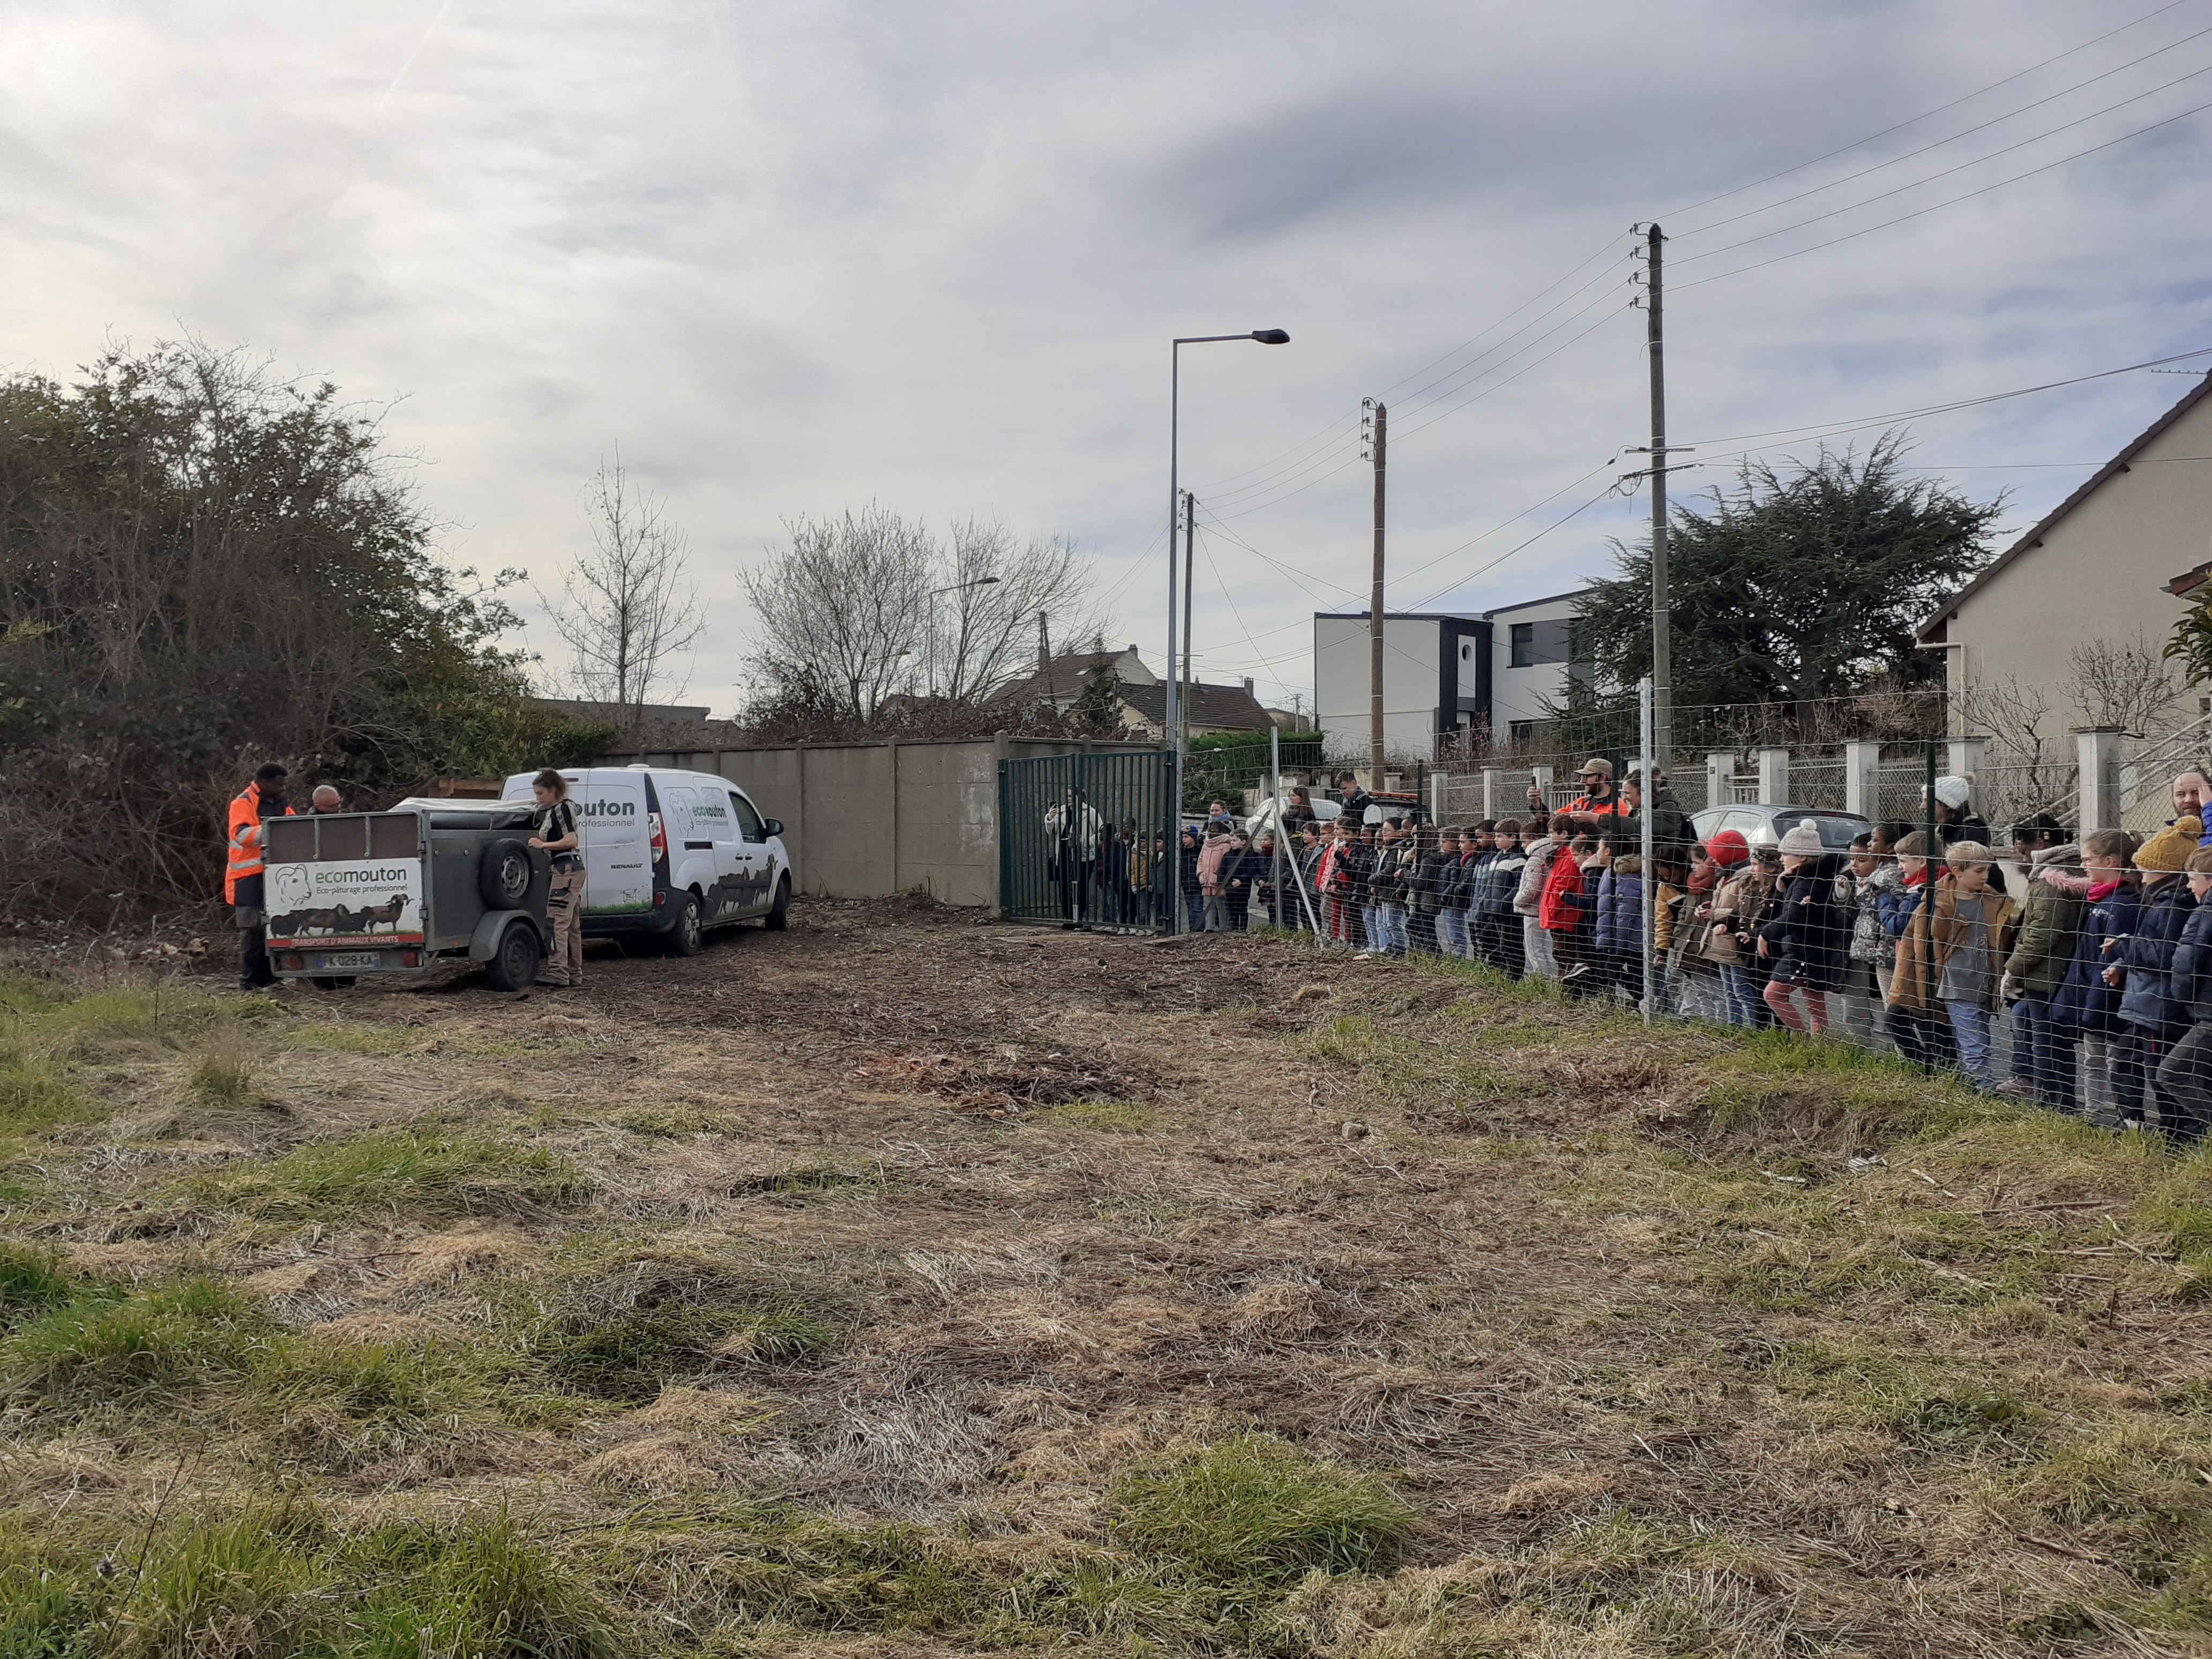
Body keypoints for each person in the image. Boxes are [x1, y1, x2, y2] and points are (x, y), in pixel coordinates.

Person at [2105, 817, 2200, 1132]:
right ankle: (2133, 1124)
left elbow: (2164, 955)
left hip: (2161, 1007)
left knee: (2160, 1073)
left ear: (2166, 869)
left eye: (2146, 867)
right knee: (2125, 1059)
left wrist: (2124, 946)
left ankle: (2178, 1134)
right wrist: (2124, 961)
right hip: (2147, 1004)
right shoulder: (2161, 900)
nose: (2141, 875)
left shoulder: (2172, 905)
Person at [2050, 829, 2140, 1124]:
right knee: (2093, 1059)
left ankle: (2123, 1115)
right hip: (2091, 993)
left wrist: (2096, 1003)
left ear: (2111, 861)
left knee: (2114, 1060)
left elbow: (2111, 957)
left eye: (2090, 859)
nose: (2085, 865)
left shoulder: (2121, 905)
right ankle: (2093, 1113)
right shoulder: (2100, 900)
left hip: (2107, 998)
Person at [1999, 819, 2084, 1108]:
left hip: (2046, 974)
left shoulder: (2051, 883)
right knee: (2054, 1041)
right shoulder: (2071, 872)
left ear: (2041, 845)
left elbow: (2040, 933)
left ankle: (2053, 1104)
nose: (2020, 857)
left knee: (2047, 1041)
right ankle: (2061, 1102)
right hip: (2055, 971)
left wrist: (2013, 969)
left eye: (2023, 852)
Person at [1758, 824, 1851, 1034]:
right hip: (1812, 949)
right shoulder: (1811, 879)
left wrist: (1765, 933)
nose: (1782, 859)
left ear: (1801, 858)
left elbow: (1794, 917)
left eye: (1785, 854)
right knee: (1814, 1001)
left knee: (1774, 994)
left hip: (1803, 951)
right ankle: (1820, 1042)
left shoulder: (1806, 884)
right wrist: (1787, 880)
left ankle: (1801, 1036)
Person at [1879, 833, 1959, 1070]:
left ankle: (1939, 1071)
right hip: (1915, 966)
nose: (1900, 866)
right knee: (1903, 1018)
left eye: (1904, 860)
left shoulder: (1924, 891)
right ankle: (1929, 1069)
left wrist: (1884, 901)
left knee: (1928, 1023)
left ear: (1923, 861)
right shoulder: (1917, 888)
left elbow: (1899, 926)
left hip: (1924, 967)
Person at [2154, 848, 2212, 1143]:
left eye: (2193, 879)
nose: (2190, 886)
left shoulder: (2204, 914)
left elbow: (2186, 962)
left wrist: (2182, 999)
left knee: (2170, 1073)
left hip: (2207, 1015)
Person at [226, 762, 295, 991]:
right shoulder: (243, 803)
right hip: (248, 878)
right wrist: (275, 828)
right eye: (279, 784)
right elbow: (242, 834)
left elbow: (296, 826)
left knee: (274, 929)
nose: (283, 788)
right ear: (264, 783)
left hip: (274, 876)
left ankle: (272, 980)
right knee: (252, 933)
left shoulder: (279, 802)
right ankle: (249, 983)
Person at [1834, 832, 1898, 1047]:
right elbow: (1857, 914)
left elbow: (1878, 913)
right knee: (1854, 1007)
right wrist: (1844, 896)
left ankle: (1884, 1052)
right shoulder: (1855, 880)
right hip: (1860, 950)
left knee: (1881, 1005)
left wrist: (1862, 892)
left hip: (1882, 953)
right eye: (1852, 859)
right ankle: (1860, 1049)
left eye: (1862, 859)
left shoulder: (1887, 880)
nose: (1854, 865)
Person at [1703, 837, 1774, 1028]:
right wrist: (1719, 919)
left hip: (1738, 946)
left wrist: (1716, 916)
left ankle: (1753, 1028)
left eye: (1716, 855)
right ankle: (1735, 1026)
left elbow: (1739, 910)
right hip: (1726, 941)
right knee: (1730, 990)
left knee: (1743, 990)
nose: (1713, 860)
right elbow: (1731, 909)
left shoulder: (1743, 881)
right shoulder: (1728, 878)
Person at [527, 767, 585, 988]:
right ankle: (573, 973)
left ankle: (558, 972)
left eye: (540, 794)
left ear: (553, 791)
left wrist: (544, 845)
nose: (538, 798)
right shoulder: (560, 808)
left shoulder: (562, 809)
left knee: (556, 921)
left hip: (565, 868)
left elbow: (571, 840)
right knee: (571, 925)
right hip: (570, 869)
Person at [1541, 832, 1593, 991]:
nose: (1549, 835)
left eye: (1553, 831)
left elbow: (1562, 885)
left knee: (1565, 956)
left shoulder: (1568, 857)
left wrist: (1551, 910)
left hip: (1564, 916)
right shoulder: (1561, 855)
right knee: (1562, 956)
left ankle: (1568, 993)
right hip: (1559, 914)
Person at [1476, 820, 1528, 977]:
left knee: (1510, 945)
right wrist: (1484, 903)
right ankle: (1498, 970)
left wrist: (1503, 904)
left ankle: (1513, 977)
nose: (1496, 839)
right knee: (1488, 937)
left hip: (1508, 913)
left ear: (1513, 837)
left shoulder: (1519, 859)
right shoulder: (1497, 857)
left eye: (1500, 836)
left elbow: (1518, 886)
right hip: (1492, 909)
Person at [1925, 775, 1992, 849]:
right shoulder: (1938, 827)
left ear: (1947, 805)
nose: (1922, 806)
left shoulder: (1972, 833)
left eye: (1927, 801)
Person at [1198, 821, 1234, 932]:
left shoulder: (1226, 845)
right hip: (1206, 881)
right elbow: (1200, 860)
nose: (1211, 832)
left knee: (1221, 905)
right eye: (1210, 830)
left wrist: (1220, 878)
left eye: (1214, 830)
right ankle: (1209, 928)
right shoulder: (1206, 845)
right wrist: (1200, 874)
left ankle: (1223, 928)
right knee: (1207, 905)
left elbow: (1226, 864)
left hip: (1218, 882)